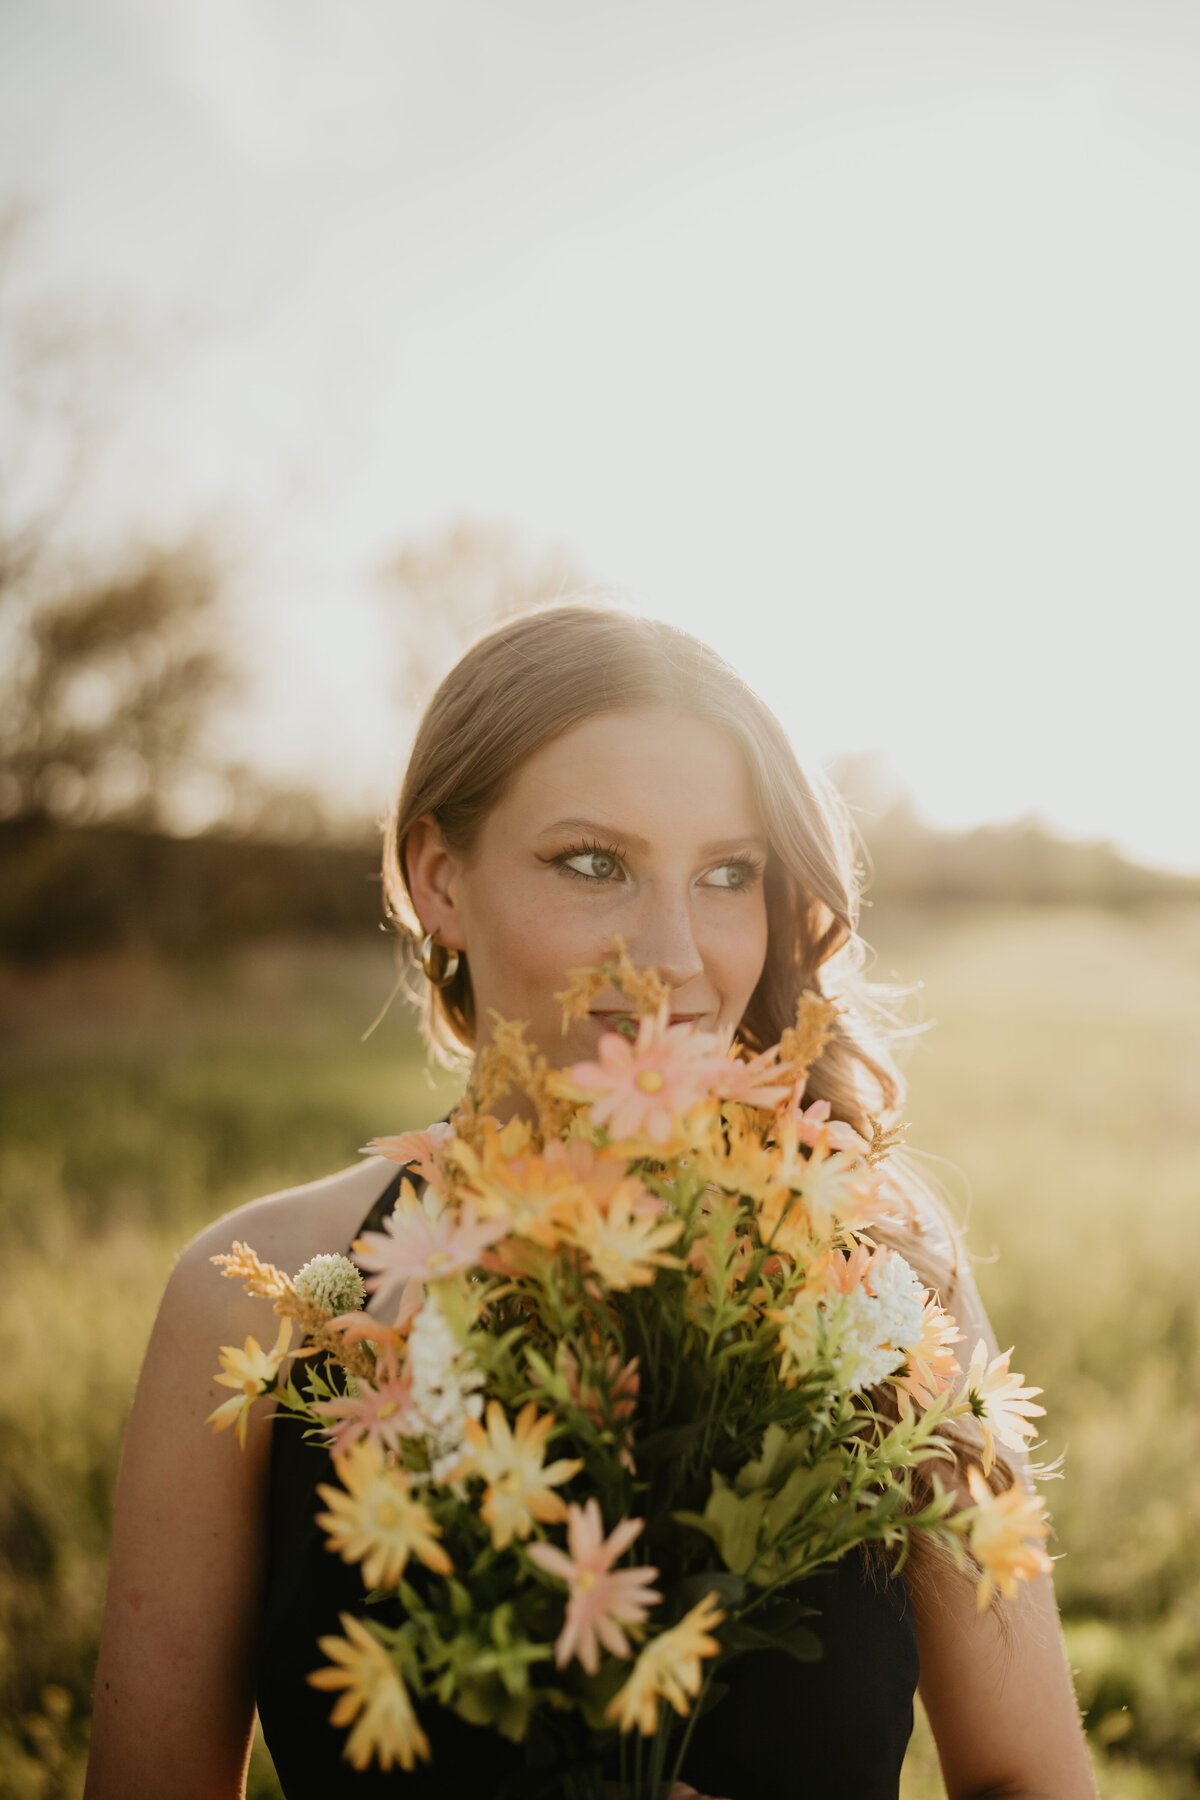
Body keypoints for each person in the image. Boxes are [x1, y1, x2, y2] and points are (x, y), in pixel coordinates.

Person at [84, 604, 1098, 1800]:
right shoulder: (249, 1300)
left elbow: (1031, 1781)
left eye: (730, 874)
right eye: (592, 864)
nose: (672, 954)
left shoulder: (880, 1273)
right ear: (439, 879)